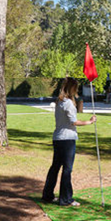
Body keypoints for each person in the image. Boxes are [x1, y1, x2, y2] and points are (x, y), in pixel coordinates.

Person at [42, 77, 96, 207]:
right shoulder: (67, 103)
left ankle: (48, 195)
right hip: (67, 139)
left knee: (55, 167)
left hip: (58, 138)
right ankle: (66, 199)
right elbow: (74, 122)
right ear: (72, 88)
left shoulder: (59, 101)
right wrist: (89, 122)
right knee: (67, 169)